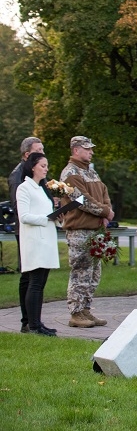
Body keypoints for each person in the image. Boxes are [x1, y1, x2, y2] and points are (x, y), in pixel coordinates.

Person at [61, 136, 115, 328]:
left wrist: (106, 211)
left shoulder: (90, 172)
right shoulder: (70, 173)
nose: (91, 152)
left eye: (91, 149)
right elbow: (82, 200)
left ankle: (86, 310)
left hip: (95, 229)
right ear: (76, 150)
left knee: (93, 273)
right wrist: (105, 211)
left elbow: (104, 192)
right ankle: (76, 313)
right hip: (79, 230)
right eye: (87, 149)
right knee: (80, 272)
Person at [15, 152, 59, 335]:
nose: (46, 169)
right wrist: (46, 218)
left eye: (47, 166)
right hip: (34, 240)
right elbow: (24, 216)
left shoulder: (42, 188)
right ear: (32, 166)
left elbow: (47, 213)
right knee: (34, 283)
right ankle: (32, 326)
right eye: (43, 166)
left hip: (47, 239)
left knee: (40, 284)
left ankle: (37, 322)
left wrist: (57, 216)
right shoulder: (24, 188)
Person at [8, 136, 44, 333]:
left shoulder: (36, 173)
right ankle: (27, 321)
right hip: (26, 231)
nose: (42, 154)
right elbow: (19, 208)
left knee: (33, 277)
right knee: (29, 277)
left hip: (38, 229)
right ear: (27, 154)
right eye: (39, 150)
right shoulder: (18, 176)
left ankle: (32, 320)